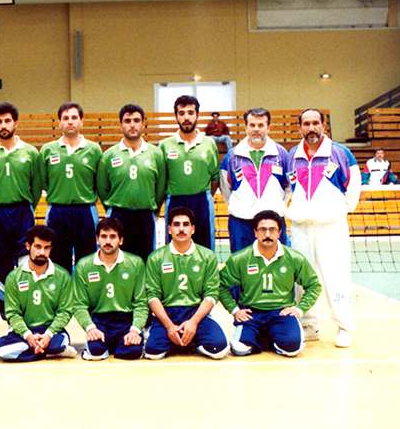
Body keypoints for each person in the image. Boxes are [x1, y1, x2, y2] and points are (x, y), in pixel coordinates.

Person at [286, 109, 361, 348]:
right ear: (300, 128)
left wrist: (337, 212)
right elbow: (286, 189)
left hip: (332, 227)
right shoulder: (291, 156)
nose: (311, 128)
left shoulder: (341, 153)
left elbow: (353, 190)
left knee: (336, 277)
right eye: (306, 124)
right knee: (302, 278)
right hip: (300, 228)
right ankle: (309, 325)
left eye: (315, 123)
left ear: (323, 125)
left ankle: (344, 326)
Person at [219, 210, 321, 357]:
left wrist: (299, 310)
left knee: (293, 348)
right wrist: (234, 310)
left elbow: (314, 285)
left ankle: (267, 337)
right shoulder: (240, 259)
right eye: (263, 229)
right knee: (239, 349)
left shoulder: (294, 258)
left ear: (279, 232)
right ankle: (266, 336)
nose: (267, 234)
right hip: (251, 313)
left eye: (272, 229)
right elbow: (220, 285)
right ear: (255, 232)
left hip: (281, 313)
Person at [0, 102, 42, 315]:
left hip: (23, 212)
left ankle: (28, 307)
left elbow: (37, 186)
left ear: (15, 122)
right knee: (1, 263)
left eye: (7, 121)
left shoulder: (31, 152)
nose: (3, 125)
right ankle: (7, 312)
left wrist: (26, 206)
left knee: (27, 259)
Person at [144, 207, 229, 360]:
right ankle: (177, 338)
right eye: (176, 225)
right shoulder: (156, 258)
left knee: (219, 349)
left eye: (185, 224)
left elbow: (212, 294)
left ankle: (189, 340)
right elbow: (152, 296)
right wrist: (169, 326)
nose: (181, 229)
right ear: (169, 229)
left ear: (193, 229)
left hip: (195, 312)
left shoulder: (207, 256)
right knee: (152, 353)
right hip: (168, 313)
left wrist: (193, 322)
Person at [0, 225, 77, 361]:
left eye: (46, 248)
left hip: (52, 331)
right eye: (38, 247)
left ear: (51, 248)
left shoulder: (62, 276)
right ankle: (50, 351)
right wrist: (28, 336)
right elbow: (13, 313)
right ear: (28, 246)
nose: (42, 252)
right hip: (24, 331)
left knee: (59, 341)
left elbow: (65, 312)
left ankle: (36, 349)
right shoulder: (14, 277)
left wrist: (48, 334)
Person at [96, 104, 166, 262]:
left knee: (145, 261)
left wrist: (154, 210)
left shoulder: (156, 154)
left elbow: (160, 188)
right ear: (120, 125)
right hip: (118, 215)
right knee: (117, 260)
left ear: (143, 123)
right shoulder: (108, 156)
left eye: (136, 120)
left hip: (145, 216)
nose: (132, 124)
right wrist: (112, 209)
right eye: (127, 121)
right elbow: (102, 188)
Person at [73, 217, 148, 360]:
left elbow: (141, 303)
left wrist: (135, 330)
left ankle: (124, 343)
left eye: (113, 237)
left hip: (126, 320)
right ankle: (104, 344)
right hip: (100, 322)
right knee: (95, 353)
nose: (108, 241)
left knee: (130, 352)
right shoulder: (83, 265)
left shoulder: (135, 263)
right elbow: (79, 304)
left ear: (121, 240)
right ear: (97, 239)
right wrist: (91, 328)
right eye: (104, 236)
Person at [40, 102, 102, 273]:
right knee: (57, 262)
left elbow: (100, 182)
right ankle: (61, 298)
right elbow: (45, 182)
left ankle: (86, 299)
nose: (70, 122)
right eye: (65, 118)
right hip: (57, 212)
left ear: (81, 121)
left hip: (85, 212)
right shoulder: (47, 150)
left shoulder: (94, 150)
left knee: (88, 262)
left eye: (74, 118)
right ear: (59, 122)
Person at [220, 108, 290, 253]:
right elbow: (226, 189)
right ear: (246, 127)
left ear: (268, 127)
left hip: (274, 223)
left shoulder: (282, 154)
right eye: (252, 125)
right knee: (242, 269)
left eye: (260, 125)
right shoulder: (231, 157)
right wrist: (240, 207)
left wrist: (278, 206)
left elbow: (288, 187)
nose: (256, 129)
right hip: (241, 224)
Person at [160, 95, 220, 250]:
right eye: (181, 113)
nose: (186, 117)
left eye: (190, 112)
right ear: (176, 117)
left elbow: (215, 177)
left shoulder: (209, 144)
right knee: (174, 248)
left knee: (205, 248)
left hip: (201, 202)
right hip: (174, 201)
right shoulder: (165, 145)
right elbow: (161, 179)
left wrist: (203, 196)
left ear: (197, 116)